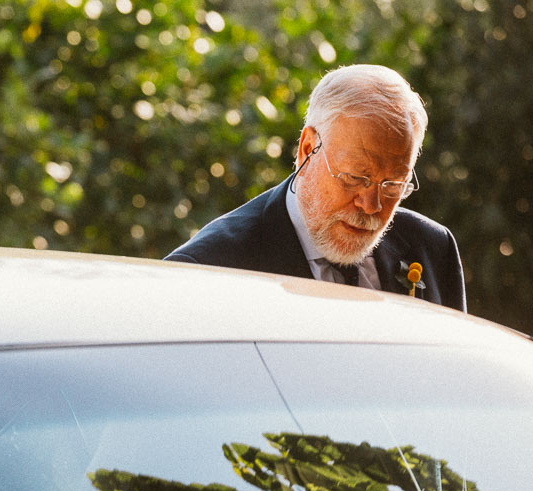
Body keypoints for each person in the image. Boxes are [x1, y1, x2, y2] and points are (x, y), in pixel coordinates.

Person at [165, 64, 466, 312]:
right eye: (355, 178)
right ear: (307, 148)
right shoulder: (207, 268)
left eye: (393, 184)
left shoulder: (433, 248)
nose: (372, 205)